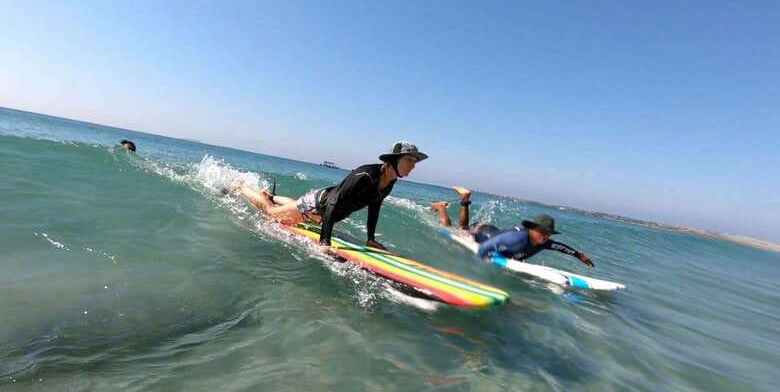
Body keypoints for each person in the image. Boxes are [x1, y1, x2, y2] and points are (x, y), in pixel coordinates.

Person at [233, 141, 428, 248]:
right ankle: (241, 185)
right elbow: (333, 203)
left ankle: (272, 196)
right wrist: (324, 242)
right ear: (394, 160)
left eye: (414, 162)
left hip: (323, 213)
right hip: (318, 205)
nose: (413, 165)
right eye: (409, 160)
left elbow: (374, 206)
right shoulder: (366, 175)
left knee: (291, 207)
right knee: (271, 213)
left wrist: (370, 238)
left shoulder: (389, 181)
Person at [432, 187, 595, 267]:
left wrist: (578, 255)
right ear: (532, 229)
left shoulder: (545, 242)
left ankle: (465, 198)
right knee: (456, 230)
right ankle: (441, 208)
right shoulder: (514, 238)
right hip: (481, 232)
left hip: (491, 230)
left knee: (462, 226)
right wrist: (478, 266)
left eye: (548, 234)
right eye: (542, 232)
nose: (545, 237)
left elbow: (561, 247)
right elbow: (484, 249)